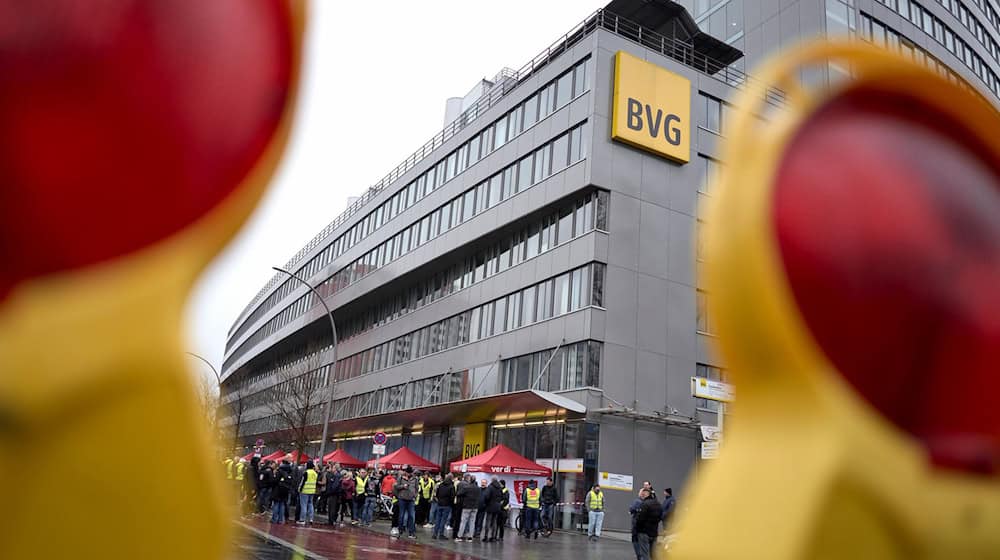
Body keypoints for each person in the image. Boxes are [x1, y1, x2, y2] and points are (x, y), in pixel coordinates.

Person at [635, 489, 663, 560]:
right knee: (654, 554)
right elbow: (660, 517)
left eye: (643, 494)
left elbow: (640, 519)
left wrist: (637, 529)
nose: (642, 495)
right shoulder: (658, 504)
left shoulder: (644, 504)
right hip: (654, 532)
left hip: (644, 532)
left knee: (645, 554)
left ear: (646, 494)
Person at [394, 470, 419, 539]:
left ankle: (411, 532)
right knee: (401, 515)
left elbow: (417, 488)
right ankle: (400, 530)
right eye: (408, 472)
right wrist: (403, 486)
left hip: (411, 499)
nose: (409, 474)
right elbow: (396, 487)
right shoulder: (401, 478)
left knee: (412, 516)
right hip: (402, 498)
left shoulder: (415, 479)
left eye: (410, 472)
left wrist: (415, 495)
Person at [456, 475, 480, 542]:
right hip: (475, 507)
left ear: (470, 480)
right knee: (472, 522)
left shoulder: (467, 487)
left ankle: (459, 536)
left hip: (467, 506)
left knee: (463, 522)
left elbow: (458, 494)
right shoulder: (478, 488)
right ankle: (470, 537)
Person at [431, 473, 455, 539]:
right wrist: (451, 503)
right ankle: (441, 534)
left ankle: (435, 534)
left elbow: (437, 494)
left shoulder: (441, 485)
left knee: (438, 519)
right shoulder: (451, 486)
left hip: (439, 504)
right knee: (443, 520)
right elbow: (452, 497)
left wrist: (439, 500)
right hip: (447, 505)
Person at [271, 458, 294, 524]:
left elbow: (275, 481)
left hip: (278, 490)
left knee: (276, 504)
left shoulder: (280, 471)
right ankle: (281, 520)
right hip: (286, 490)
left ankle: (274, 519)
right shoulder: (290, 471)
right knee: (282, 505)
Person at [297, 461, 319, 526]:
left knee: (303, 505)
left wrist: (299, 489)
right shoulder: (315, 473)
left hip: (305, 490)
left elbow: (302, 482)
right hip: (312, 491)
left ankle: (302, 519)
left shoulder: (306, 473)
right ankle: (311, 519)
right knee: (310, 504)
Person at [483, 477, 504, 542]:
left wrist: (487, 503)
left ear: (492, 480)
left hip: (490, 506)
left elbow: (486, 496)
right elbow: (502, 497)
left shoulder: (490, 487)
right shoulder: (500, 488)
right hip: (497, 506)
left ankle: (486, 536)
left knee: (488, 521)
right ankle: (493, 537)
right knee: (494, 521)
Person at [629, 489, 645, 559]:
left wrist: (633, 510)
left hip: (636, 524)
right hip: (644, 525)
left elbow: (631, 509)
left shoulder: (637, 501)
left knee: (635, 539)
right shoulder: (647, 502)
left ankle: (639, 555)